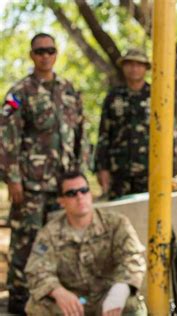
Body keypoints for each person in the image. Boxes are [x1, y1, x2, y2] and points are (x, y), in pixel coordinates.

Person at [0, 32, 87, 313]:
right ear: (31, 55)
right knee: (26, 243)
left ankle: (53, 299)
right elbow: (6, 135)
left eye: (50, 50)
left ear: (56, 53)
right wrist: (12, 178)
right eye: (39, 51)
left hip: (66, 186)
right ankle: (17, 302)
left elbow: (81, 134)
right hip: (31, 185)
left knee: (63, 241)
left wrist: (81, 175)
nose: (45, 56)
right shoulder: (18, 93)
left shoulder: (69, 90)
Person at [24, 171, 147, 315]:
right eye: (71, 193)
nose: (79, 197)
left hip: (107, 298)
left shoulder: (116, 224)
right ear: (61, 201)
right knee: (37, 306)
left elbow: (133, 258)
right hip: (74, 303)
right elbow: (36, 270)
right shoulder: (49, 233)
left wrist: (119, 291)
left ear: (90, 194)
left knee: (131, 304)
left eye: (84, 191)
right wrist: (58, 291)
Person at [95, 49, 151, 200]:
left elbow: (170, 133)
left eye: (139, 65)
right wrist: (102, 168)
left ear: (146, 68)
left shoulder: (157, 95)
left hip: (150, 170)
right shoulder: (114, 97)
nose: (134, 69)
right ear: (123, 67)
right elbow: (104, 134)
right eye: (130, 64)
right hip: (119, 171)